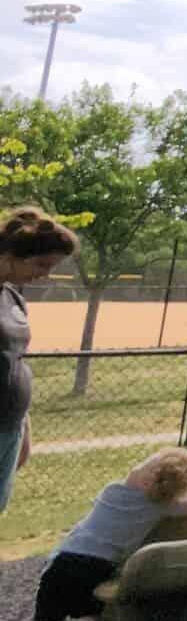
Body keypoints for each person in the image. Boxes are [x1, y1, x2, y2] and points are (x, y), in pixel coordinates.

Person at [32, 447, 187, 621]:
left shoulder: (112, 491)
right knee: (85, 600)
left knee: (49, 608)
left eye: (143, 464)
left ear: (144, 480)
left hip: (68, 559)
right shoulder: (162, 507)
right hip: (103, 566)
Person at [0, 208, 82, 519]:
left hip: (10, 424)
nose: (45, 273)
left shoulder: (12, 298)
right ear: (11, 254)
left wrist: (24, 425)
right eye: (41, 264)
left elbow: (16, 362)